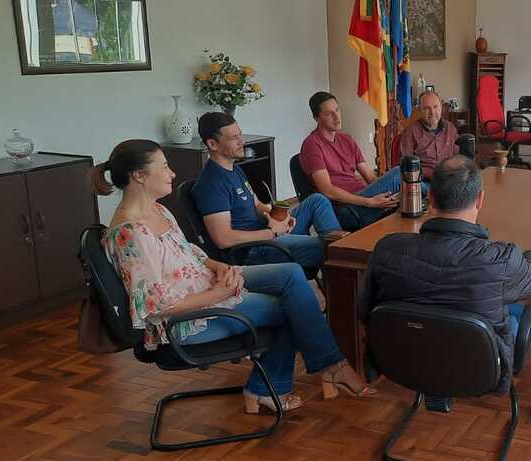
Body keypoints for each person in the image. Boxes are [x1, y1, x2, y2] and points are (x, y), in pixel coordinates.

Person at [91, 140, 374, 415]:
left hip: (210, 284)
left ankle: (295, 379)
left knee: (291, 276)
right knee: (295, 306)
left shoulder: (158, 209)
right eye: (164, 167)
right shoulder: (130, 233)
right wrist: (221, 293)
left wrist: (218, 267)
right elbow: (158, 307)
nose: (172, 173)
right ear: (139, 176)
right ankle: (302, 377)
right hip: (186, 321)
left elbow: (190, 253)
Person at [363, 155, 531, 395]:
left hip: (404, 361)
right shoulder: (500, 259)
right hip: (478, 369)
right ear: (480, 199)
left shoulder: (386, 248)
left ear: (431, 198)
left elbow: (364, 311)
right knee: (514, 309)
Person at [191, 112, 341, 273]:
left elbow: (257, 204)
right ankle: (340, 257)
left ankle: (339, 252)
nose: (242, 142)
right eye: (234, 138)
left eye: (240, 134)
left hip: (268, 231)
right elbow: (223, 239)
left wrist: (281, 217)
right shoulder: (212, 184)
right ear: (213, 144)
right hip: (253, 250)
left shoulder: (235, 169)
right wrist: (272, 232)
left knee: (317, 201)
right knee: (328, 247)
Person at [300, 91, 426, 230]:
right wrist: (369, 202)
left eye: (337, 110)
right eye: (329, 114)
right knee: (402, 172)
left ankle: (429, 199)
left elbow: (370, 176)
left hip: (364, 197)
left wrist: (385, 193)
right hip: (347, 210)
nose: (337, 117)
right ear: (316, 117)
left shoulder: (347, 140)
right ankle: (434, 195)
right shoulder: (312, 145)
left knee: (405, 189)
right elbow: (327, 190)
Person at [399, 91, 457, 180]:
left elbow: (458, 158)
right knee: (395, 175)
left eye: (435, 107)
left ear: (441, 107)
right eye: (427, 108)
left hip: (448, 181)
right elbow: (404, 165)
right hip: (422, 183)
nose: (432, 112)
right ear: (419, 110)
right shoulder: (411, 132)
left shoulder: (450, 128)